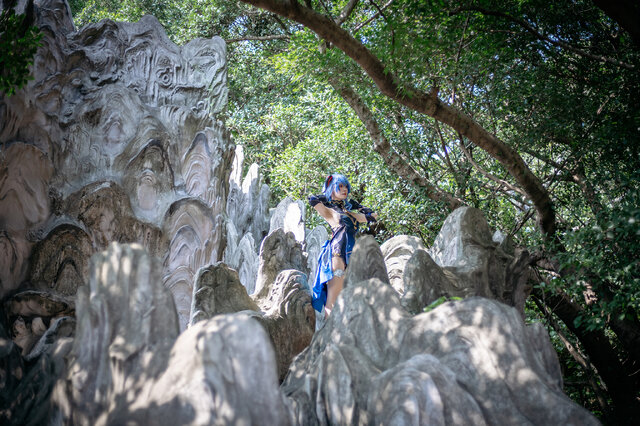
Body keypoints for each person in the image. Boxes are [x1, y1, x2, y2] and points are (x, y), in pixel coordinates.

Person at [308, 174, 377, 318]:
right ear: (332, 188)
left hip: (351, 257)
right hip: (336, 254)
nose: (344, 189)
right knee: (333, 301)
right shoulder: (329, 211)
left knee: (347, 301)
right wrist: (328, 194)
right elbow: (312, 199)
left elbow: (372, 216)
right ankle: (328, 336)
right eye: (340, 186)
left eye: (346, 186)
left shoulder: (349, 213)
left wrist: (357, 205)